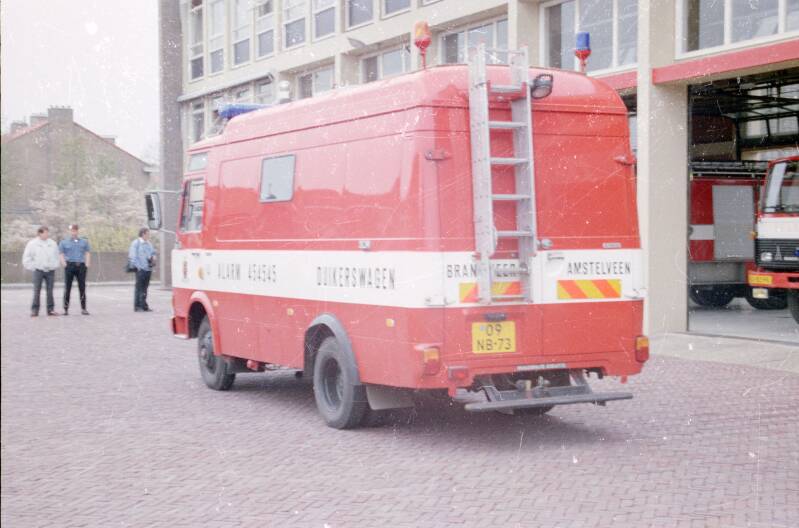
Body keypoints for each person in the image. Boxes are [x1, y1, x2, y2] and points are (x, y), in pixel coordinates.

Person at [22, 226, 60, 317]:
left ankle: (50, 310)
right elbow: (26, 258)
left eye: (48, 232)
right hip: (38, 271)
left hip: (50, 271)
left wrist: (54, 265)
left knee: (50, 291)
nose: (47, 234)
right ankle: (35, 310)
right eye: (45, 232)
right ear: (40, 233)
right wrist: (33, 267)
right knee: (36, 291)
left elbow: (57, 256)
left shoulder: (53, 243)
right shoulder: (32, 244)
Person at [59, 224, 91, 315]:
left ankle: (83, 308)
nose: (74, 232)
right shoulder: (64, 242)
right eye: (72, 230)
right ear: (70, 231)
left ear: (77, 231)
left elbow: (87, 252)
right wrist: (64, 264)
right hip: (69, 266)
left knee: (82, 288)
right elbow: (61, 253)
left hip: (81, 266)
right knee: (67, 288)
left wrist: (87, 264)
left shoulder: (84, 242)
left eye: (75, 230)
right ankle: (65, 309)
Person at [128, 227, 156, 312]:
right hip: (140, 269)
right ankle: (137, 306)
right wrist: (138, 267)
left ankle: (144, 305)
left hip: (148, 269)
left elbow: (153, 253)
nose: (149, 236)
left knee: (145, 288)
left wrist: (154, 258)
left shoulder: (149, 244)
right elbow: (132, 256)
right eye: (148, 234)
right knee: (139, 288)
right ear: (143, 234)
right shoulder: (136, 243)